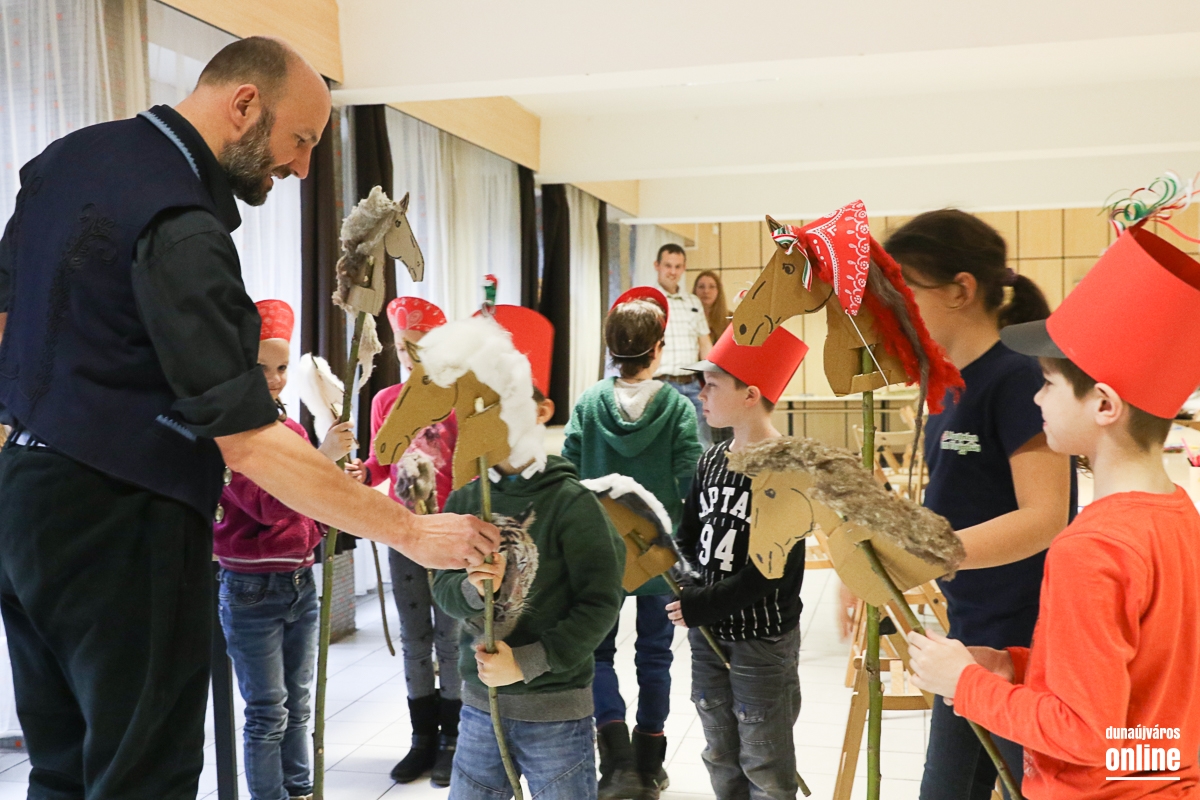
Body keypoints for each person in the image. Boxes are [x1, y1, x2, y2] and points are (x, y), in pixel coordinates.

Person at [0, 37, 496, 798]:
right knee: (141, 777)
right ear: (244, 104)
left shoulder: (68, 160)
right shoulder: (180, 221)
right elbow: (251, 441)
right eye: (300, 140)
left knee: (63, 768)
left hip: (24, 505)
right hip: (122, 520)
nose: (302, 167)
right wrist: (411, 531)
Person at [907, 220, 1200, 799]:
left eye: (1046, 383)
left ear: (1104, 405)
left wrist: (964, 683)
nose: (1036, 397)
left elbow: (1085, 734)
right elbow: (1138, 695)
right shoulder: (1177, 515)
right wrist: (1016, 666)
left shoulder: (1089, 550)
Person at [880, 210, 1075, 799]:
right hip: (968, 629)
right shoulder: (948, 385)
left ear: (960, 289)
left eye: (906, 291)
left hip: (1024, 640)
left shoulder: (1016, 378)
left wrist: (928, 555)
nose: (895, 309)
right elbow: (950, 502)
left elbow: (1045, 516)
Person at [431, 309, 626, 800]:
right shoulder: (464, 501)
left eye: (508, 403)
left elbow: (600, 602)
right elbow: (442, 586)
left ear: (541, 410)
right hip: (480, 708)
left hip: (555, 712)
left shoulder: (572, 504)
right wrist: (471, 588)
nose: (492, 419)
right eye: (483, 406)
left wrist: (529, 662)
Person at [562, 287, 703, 800]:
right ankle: (650, 765)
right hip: (657, 555)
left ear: (610, 348)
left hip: (599, 553)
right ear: (658, 348)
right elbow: (691, 482)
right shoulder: (678, 408)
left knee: (597, 653)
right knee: (655, 656)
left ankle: (617, 763)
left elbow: (568, 476)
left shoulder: (589, 404)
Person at [214, 300, 354, 800]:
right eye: (261, 369)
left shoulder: (289, 430)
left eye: (281, 368)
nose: (275, 380)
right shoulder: (232, 435)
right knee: (267, 711)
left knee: (299, 704)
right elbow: (269, 506)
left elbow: (309, 511)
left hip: (300, 581)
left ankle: (300, 791)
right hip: (251, 590)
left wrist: (337, 481)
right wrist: (322, 460)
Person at [665, 325, 811, 800]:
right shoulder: (710, 460)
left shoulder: (787, 467)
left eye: (712, 385)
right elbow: (687, 536)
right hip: (708, 635)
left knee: (764, 761)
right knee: (720, 752)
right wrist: (686, 584)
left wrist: (702, 604)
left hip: (760, 640)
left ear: (750, 395)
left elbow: (772, 572)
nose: (701, 394)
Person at [347, 296, 463, 787]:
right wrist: (363, 472)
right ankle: (422, 738)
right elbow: (382, 461)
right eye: (402, 348)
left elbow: (471, 465)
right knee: (415, 639)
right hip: (402, 533)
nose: (410, 358)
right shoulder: (385, 401)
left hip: (450, 535)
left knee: (451, 639)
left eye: (420, 348)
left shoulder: (457, 402)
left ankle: (455, 737)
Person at [650, 244, 714, 447]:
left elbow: (705, 344)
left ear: (684, 268)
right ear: (657, 265)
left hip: (693, 385)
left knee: (702, 444)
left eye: (678, 266)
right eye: (668, 265)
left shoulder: (693, 302)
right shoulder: (648, 301)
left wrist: (715, 380)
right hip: (661, 385)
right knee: (664, 445)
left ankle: (704, 471)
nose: (673, 271)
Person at [693, 270, 729, 342]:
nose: (706, 291)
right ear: (695, 290)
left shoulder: (731, 320)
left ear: (718, 291)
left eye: (712, 287)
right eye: (701, 287)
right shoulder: (686, 318)